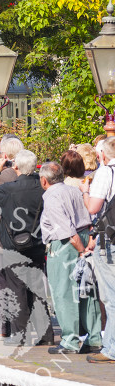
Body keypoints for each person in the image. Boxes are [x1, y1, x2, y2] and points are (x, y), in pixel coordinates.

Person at [0, 150, 53, 347]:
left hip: (14, 245)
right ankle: (46, 334)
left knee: (17, 289)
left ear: (16, 167)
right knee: (37, 289)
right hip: (37, 244)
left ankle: (21, 335)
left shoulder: (10, 189)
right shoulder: (42, 187)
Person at [38, 162, 101, 354]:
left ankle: (70, 341)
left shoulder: (52, 196)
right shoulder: (74, 190)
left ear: (44, 180)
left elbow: (65, 230)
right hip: (83, 237)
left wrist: (81, 250)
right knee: (87, 291)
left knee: (64, 292)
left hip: (66, 244)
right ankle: (95, 337)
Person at [80, 136, 115, 363]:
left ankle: (111, 349)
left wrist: (85, 191)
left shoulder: (105, 172)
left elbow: (94, 207)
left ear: (102, 154)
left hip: (109, 239)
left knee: (110, 296)